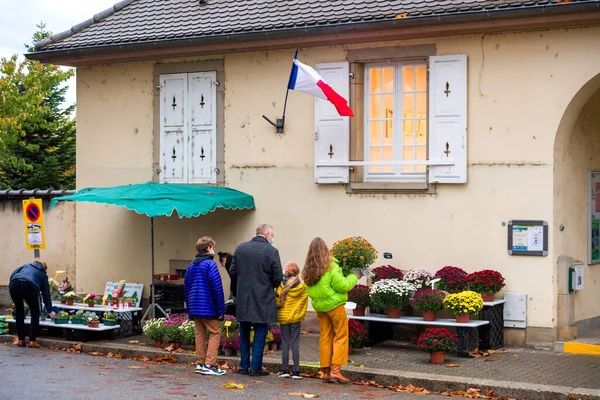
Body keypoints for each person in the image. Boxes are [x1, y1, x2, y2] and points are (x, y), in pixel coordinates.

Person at [302, 237, 361, 384]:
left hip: (320, 308)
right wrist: (355, 276)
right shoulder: (331, 266)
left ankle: (325, 371)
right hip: (334, 305)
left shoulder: (309, 269)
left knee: (325, 337)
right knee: (341, 336)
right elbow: (343, 286)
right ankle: (336, 371)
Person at [229, 223, 283, 376]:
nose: (272, 238)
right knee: (260, 332)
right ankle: (255, 367)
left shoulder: (241, 248)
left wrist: (243, 283)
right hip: (263, 297)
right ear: (266, 235)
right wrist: (266, 285)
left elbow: (233, 271)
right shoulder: (271, 251)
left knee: (244, 332)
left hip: (244, 297)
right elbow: (278, 277)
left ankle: (243, 366)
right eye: (272, 236)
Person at [184, 236, 226, 376]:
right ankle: (209, 364)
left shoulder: (191, 265)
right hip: (208, 308)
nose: (214, 250)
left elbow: (187, 288)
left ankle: (201, 363)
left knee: (199, 334)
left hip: (195, 308)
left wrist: (190, 310)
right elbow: (217, 289)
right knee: (215, 333)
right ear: (208, 248)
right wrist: (220, 310)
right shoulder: (210, 265)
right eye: (213, 247)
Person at [9, 259, 56, 348]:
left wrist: (14, 285)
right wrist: (50, 310)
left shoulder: (25, 266)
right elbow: (46, 293)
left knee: (19, 311)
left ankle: (21, 340)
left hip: (14, 284)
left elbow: (13, 274)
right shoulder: (43, 274)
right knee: (35, 312)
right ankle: (32, 341)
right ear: (44, 268)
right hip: (30, 286)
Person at [276, 262, 308, 379]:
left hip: (284, 317)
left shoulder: (281, 285)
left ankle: (284, 369)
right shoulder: (302, 286)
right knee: (295, 343)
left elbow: (278, 302)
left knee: (285, 343)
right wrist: (300, 315)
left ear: (287, 273)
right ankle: (296, 371)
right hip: (296, 318)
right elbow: (303, 303)